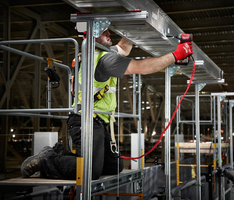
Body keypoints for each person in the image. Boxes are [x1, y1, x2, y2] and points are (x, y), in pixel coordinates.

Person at [21, 29, 193, 180]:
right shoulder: (103, 60)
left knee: (114, 167)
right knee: (90, 171)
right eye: (104, 31)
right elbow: (141, 67)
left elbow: (124, 48)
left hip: (98, 122)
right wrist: (176, 55)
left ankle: (59, 152)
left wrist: (135, 29)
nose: (109, 33)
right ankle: (46, 160)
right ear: (92, 34)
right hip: (85, 121)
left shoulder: (96, 53)